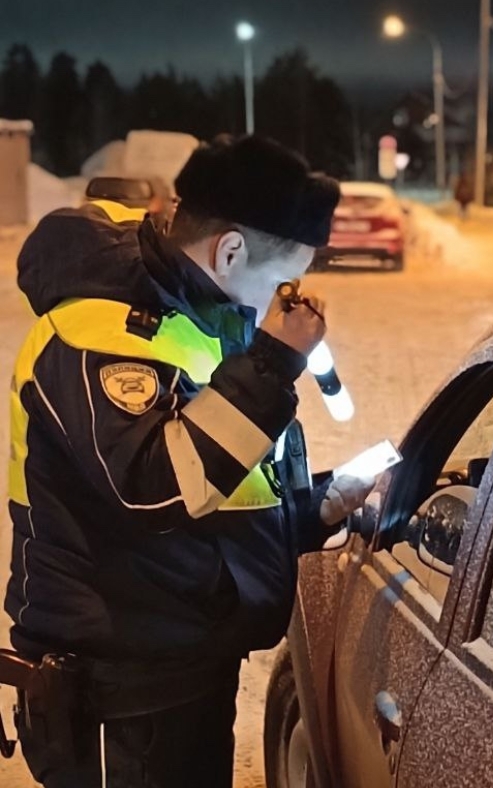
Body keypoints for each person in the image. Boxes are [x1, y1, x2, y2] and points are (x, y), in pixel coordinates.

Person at [4, 135, 374, 787]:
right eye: (286, 279)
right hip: (119, 695)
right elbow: (155, 487)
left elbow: (220, 484)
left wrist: (317, 504)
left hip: (179, 668)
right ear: (228, 250)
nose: (291, 301)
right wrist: (271, 363)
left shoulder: (195, 319)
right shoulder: (102, 330)